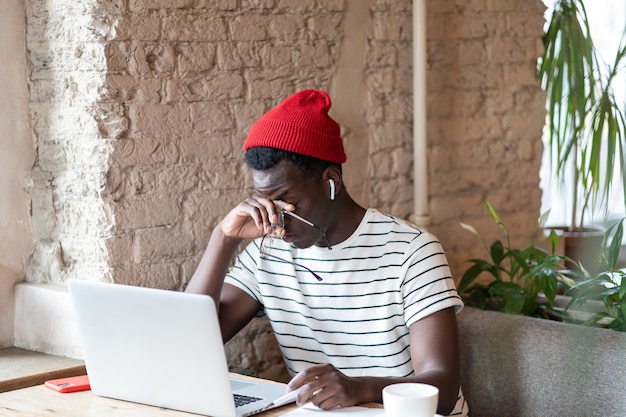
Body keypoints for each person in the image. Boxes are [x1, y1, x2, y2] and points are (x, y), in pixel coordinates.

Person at [186, 90, 469, 416]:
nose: (277, 218)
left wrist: (359, 387)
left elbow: (444, 391)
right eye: (268, 203)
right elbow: (191, 343)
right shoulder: (268, 254)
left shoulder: (411, 250)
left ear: (330, 180)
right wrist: (223, 238)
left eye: (287, 202)